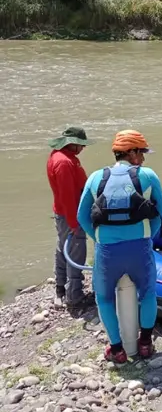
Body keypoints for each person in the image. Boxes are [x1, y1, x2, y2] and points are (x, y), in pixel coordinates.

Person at [77, 130, 162, 364]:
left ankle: (117, 350)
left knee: (104, 297)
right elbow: (161, 211)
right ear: (132, 153)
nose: (143, 158)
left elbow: (82, 216)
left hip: (107, 250)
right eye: (142, 152)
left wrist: (97, 238)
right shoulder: (148, 175)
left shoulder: (96, 177)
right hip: (140, 248)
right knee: (148, 293)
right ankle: (145, 343)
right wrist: (148, 235)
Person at [46, 127, 95, 309]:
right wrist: (74, 222)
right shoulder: (64, 163)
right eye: (81, 145)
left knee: (62, 248)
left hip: (63, 213)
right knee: (76, 251)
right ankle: (75, 296)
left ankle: (61, 288)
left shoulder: (60, 156)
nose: (83, 148)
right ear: (72, 144)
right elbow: (67, 196)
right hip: (70, 214)